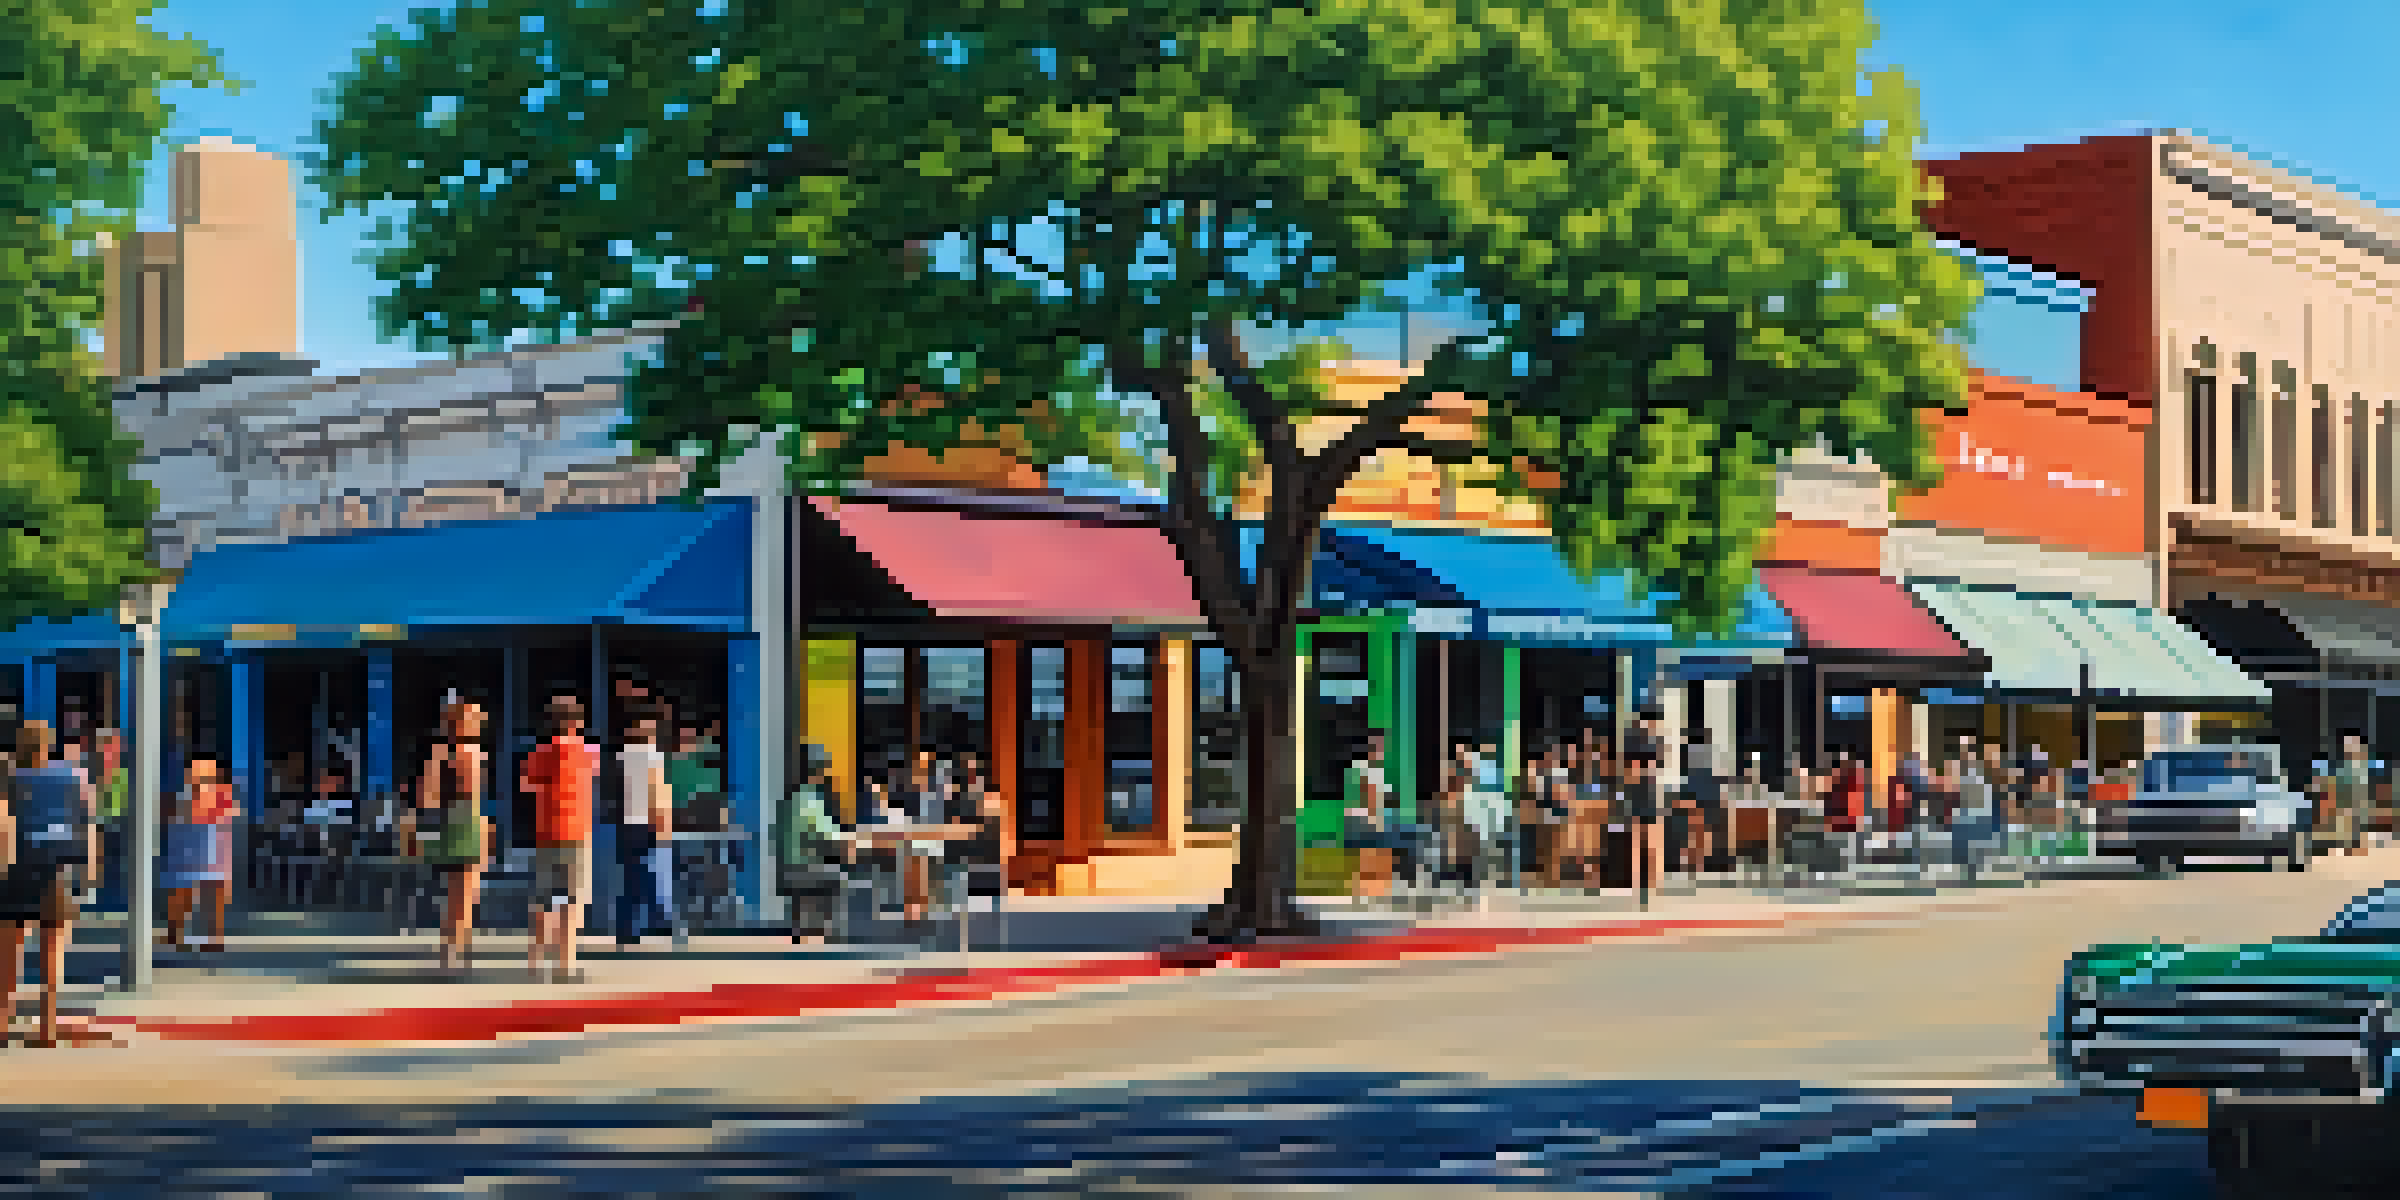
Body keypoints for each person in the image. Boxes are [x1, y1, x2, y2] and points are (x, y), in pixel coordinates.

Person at [0, 720, 98, 1046]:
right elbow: (87, 825)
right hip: (61, 869)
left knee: (9, 950)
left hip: (17, 869)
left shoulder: (8, 777)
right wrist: (89, 871)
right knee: (52, 950)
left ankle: (3, 1019)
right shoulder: (73, 776)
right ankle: (48, 1027)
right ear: (48, 745)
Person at [521, 696, 599, 981]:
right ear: (577, 722)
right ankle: (565, 963)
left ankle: (536, 959)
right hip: (577, 833)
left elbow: (526, 786)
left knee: (544, 900)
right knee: (571, 900)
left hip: (546, 833)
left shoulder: (539, 753)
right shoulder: (590, 751)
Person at [416, 696, 494, 973]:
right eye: (475, 719)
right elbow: (429, 797)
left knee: (461, 895)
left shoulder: (456, 754)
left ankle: (454, 953)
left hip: (458, 824)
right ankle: (453, 954)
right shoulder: (461, 754)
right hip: (461, 825)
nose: (480, 724)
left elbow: (427, 797)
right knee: (461, 895)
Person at [161, 753, 237, 952]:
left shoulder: (222, 793)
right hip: (187, 844)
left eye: (203, 770)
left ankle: (214, 937)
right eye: (194, 770)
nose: (197, 774)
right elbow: (175, 816)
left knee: (212, 893)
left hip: (212, 846)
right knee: (181, 891)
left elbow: (224, 815)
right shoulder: (182, 795)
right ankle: (174, 934)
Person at [615, 712, 675, 946]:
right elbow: (655, 790)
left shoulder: (623, 756)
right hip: (647, 823)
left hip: (627, 824)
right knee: (652, 877)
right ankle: (658, 925)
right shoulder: (653, 757)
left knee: (630, 879)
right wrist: (662, 823)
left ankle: (627, 929)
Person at [779, 746, 850, 943]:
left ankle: (801, 931)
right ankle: (821, 931)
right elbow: (831, 834)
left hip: (787, 867)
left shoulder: (791, 799)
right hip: (805, 867)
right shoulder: (811, 800)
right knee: (839, 875)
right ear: (817, 772)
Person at [1344, 729, 1395, 899]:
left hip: (1365, 820)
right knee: (1374, 854)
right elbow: (1369, 798)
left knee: (1376, 855)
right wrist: (1377, 821)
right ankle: (1370, 892)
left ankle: (1372, 891)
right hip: (1364, 821)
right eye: (1379, 746)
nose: (1382, 750)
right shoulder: (1365, 768)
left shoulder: (1372, 769)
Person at [2327, 731, 2374, 857]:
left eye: (2353, 742)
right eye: (2348, 743)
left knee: (2359, 821)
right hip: (2346, 796)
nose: (2350, 746)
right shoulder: (2343, 763)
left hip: (2360, 796)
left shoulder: (2364, 760)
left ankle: (2358, 847)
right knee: (2347, 822)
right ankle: (2349, 847)